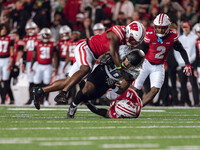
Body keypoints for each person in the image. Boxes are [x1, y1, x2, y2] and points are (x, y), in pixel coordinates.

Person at [31, 20, 145, 110]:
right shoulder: (118, 32)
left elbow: (111, 53)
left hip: (92, 55)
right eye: (133, 40)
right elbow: (114, 52)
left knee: (68, 81)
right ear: (129, 32)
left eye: (137, 42)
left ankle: (40, 91)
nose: (134, 43)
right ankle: (64, 93)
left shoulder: (125, 39)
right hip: (86, 48)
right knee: (85, 69)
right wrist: (120, 69)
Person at [132, 13, 192, 107]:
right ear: (155, 26)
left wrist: (187, 64)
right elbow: (141, 49)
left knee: (155, 90)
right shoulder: (150, 35)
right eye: (158, 27)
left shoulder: (173, 36)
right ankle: (124, 103)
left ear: (168, 27)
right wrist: (134, 63)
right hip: (146, 63)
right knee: (135, 86)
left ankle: (138, 107)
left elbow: (181, 50)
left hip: (159, 66)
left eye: (163, 27)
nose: (160, 30)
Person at [31, 28, 58, 106]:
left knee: (47, 84)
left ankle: (46, 100)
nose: (46, 36)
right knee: (36, 83)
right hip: (39, 65)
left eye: (47, 35)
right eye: (45, 35)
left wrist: (55, 67)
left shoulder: (53, 44)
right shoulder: (37, 43)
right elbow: (34, 55)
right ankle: (35, 100)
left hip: (48, 66)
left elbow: (55, 57)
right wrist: (31, 66)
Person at [174, 22, 199, 106]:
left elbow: (195, 53)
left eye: (186, 27)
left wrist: (189, 62)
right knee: (183, 84)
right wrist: (181, 63)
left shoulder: (195, 38)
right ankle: (186, 101)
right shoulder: (180, 38)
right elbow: (176, 52)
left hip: (191, 64)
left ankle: (196, 102)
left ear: (189, 27)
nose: (185, 29)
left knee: (193, 83)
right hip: (182, 64)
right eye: (184, 27)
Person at [23, 21, 39, 105]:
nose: (30, 31)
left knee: (37, 81)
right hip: (29, 62)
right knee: (31, 82)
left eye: (31, 29)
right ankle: (31, 99)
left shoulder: (39, 37)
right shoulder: (25, 38)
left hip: (37, 62)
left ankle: (38, 99)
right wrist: (23, 63)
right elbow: (25, 51)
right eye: (28, 29)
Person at [0, 24, 14, 104]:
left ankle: (3, 99)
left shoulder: (9, 38)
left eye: (5, 29)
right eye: (2, 29)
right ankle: (5, 97)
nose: (4, 30)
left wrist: (11, 62)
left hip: (6, 59)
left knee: (6, 80)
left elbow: (11, 50)